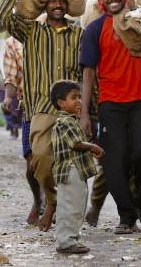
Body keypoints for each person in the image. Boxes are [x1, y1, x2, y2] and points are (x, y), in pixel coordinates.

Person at [80, 0, 141, 234]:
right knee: (113, 162)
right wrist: (85, 112)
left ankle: (140, 202)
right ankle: (126, 217)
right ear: (101, 0)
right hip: (110, 104)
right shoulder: (95, 29)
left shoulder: (140, 22)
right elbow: (87, 73)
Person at [0, 0, 83, 231]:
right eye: (51, 1)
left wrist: (89, 111)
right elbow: (4, 17)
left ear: (67, 5)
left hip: (71, 111)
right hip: (40, 109)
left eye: (61, 1)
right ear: (44, 6)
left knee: (71, 167)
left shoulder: (79, 34)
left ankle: (65, 217)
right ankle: (52, 201)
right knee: (41, 163)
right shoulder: (31, 32)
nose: (57, 5)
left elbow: (89, 73)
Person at [50, 80, 104, 254]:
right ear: (61, 102)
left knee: (76, 205)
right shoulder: (65, 121)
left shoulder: (71, 120)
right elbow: (75, 143)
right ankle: (66, 241)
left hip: (75, 171)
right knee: (70, 206)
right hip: (70, 170)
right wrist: (92, 146)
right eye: (74, 97)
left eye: (80, 97)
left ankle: (71, 238)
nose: (79, 101)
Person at [2, 35, 43, 224]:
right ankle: (37, 200)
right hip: (30, 106)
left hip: (57, 105)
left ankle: (55, 203)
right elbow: (10, 77)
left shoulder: (54, 29)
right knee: (31, 162)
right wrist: (9, 98)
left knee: (56, 158)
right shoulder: (12, 42)